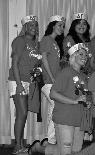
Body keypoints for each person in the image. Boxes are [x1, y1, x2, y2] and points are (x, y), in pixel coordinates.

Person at [28, 43, 91, 155]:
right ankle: (38, 148)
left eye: (86, 55)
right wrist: (74, 101)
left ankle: (38, 148)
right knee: (66, 149)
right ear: (73, 56)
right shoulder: (65, 72)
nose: (84, 57)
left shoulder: (84, 77)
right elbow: (53, 94)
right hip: (64, 117)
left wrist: (88, 103)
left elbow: (82, 95)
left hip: (79, 118)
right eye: (81, 54)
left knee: (75, 150)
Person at [8, 15, 40, 154]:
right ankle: (17, 147)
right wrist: (19, 84)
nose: (34, 28)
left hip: (28, 82)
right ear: (25, 27)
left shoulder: (36, 43)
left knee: (23, 114)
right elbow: (14, 64)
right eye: (30, 25)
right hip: (17, 81)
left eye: (35, 25)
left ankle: (20, 145)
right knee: (21, 114)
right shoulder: (19, 41)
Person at [40, 15, 65, 145]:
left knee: (53, 109)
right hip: (48, 81)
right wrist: (52, 77)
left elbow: (54, 62)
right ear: (53, 25)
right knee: (57, 107)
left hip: (54, 81)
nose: (62, 28)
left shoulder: (55, 43)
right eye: (60, 25)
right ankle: (50, 140)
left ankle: (50, 140)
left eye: (63, 26)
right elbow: (44, 60)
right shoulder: (46, 39)